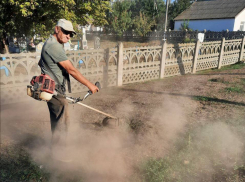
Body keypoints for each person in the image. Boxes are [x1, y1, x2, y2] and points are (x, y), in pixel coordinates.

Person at [38, 19, 99, 148]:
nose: (68, 36)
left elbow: (42, 63)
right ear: (57, 29)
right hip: (54, 90)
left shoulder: (52, 43)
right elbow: (71, 70)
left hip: (53, 89)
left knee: (59, 120)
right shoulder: (53, 46)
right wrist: (90, 85)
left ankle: (57, 150)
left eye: (71, 34)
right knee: (61, 123)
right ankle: (59, 155)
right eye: (66, 32)